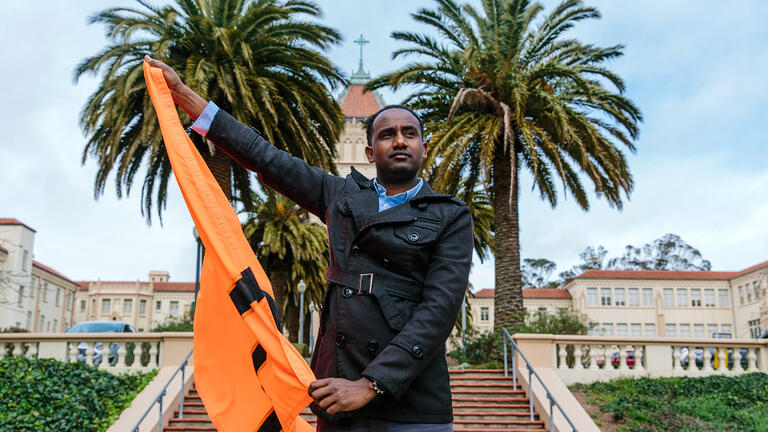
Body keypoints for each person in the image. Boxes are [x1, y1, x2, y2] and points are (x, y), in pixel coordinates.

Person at [145, 56, 473, 432]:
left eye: (409, 133)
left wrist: (371, 384)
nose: (399, 140)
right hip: (338, 399)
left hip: (414, 407)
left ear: (424, 148)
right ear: (368, 153)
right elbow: (265, 157)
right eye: (386, 134)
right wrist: (184, 94)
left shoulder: (450, 215)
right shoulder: (341, 196)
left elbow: (438, 311)